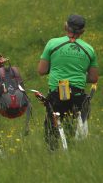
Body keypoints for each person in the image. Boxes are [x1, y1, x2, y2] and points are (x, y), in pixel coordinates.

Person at [38, 14, 98, 149]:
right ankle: (71, 152)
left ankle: (52, 152)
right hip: (78, 94)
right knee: (72, 127)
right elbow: (94, 78)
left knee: (51, 128)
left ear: (66, 26)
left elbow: (41, 70)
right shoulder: (89, 49)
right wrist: (79, 75)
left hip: (57, 92)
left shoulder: (53, 43)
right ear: (82, 32)